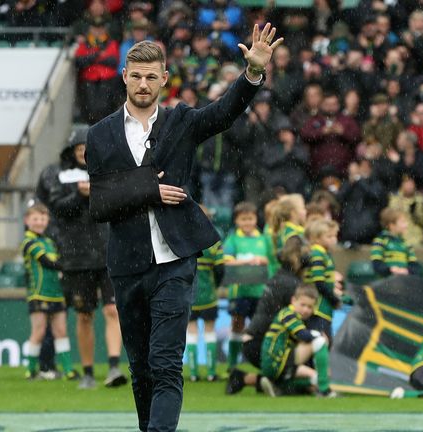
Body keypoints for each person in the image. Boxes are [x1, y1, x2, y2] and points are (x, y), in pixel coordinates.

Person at [85, 24, 282, 431]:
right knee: (141, 369)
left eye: (151, 76)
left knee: (165, 364)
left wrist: (252, 75)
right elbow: (100, 203)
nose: (143, 83)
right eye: (136, 76)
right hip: (127, 264)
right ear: (124, 75)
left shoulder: (181, 121)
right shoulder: (100, 134)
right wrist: (149, 189)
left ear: (164, 80)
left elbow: (224, 113)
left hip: (175, 261)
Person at [45, 125, 126, 390]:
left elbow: (120, 204)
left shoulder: (108, 172)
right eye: (79, 149)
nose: (83, 153)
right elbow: (57, 209)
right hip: (76, 255)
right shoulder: (58, 176)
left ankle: (114, 367)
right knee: (84, 315)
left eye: (87, 149)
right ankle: (88, 371)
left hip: (107, 252)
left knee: (113, 310)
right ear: (71, 151)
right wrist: (79, 197)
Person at [226, 235, 309, 395]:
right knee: (293, 381)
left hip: (254, 340)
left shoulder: (282, 277)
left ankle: (244, 378)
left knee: (288, 378)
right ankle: (247, 378)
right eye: (306, 255)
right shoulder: (290, 284)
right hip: (259, 343)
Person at [20, 204, 78, 381]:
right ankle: (31, 370)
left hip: (56, 292)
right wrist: (72, 265)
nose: (39, 222)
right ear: (27, 221)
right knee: (39, 331)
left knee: (61, 331)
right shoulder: (28, 242)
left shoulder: (49, 242)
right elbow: (47, 262)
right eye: (35, 219)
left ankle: (68, 370)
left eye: (43, 219)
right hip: (39, 292)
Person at [259, 284, 335, 398]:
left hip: (277, 363)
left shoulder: (298, 317)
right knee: (319, 341)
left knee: (317, 378)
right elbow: (303, 335)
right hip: (276, 360)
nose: (306, 310)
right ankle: (325, 391)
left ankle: (280, 387)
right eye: (303, 305)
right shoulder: (288, 314)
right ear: (293, 300)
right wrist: (320, 335)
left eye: (310, 307)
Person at [223, 201, 274, 369]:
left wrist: (262, 260)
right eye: (243, 219)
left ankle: (259, 363)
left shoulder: (263, 239)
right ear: (236, 221)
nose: (247, 222)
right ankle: (232, 364)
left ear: (255, 219)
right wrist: (246, 261)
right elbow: (226, 261)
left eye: (250, 218)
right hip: (239, 291)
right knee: (237, 324)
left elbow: (272, 261)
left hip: (259, 291)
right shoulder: (232, 239)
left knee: (258, 327)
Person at [186, 207, 225, 382]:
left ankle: (193, 374)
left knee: (191, 332)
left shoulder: (183, 238)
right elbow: (220, 269)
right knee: (210, 331)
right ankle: (211, 372)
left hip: (189, 294)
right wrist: (216, 285)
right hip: (209, 294)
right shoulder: (214, 241)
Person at [303, 219, 341, 341]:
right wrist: (334, 299)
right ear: (316, 238)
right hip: (317, 306)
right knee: (321, 341)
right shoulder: (317, 255)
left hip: (324, 306)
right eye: (329, 236)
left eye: (335, 235)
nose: (334, 239)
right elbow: (319, 283)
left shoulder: (325, 254)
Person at [370, 208, 419, 278]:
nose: (406, 225)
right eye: (403, 222)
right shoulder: (380, 240)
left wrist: (406, 270)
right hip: (386, 283)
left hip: (404, 281)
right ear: (391, 225)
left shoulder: (406, 243)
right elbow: (377, 263)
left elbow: (414, 265)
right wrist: (390, 270)